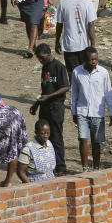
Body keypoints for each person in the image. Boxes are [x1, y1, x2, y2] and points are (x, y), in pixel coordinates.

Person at [69, 47, 112, 171]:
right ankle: (85, 167)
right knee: (83, 139)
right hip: (82, 111)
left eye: (96, 59)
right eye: (91, 60)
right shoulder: (77, 72)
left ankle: (96, 166)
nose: (94, 62)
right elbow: (74, 93)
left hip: (97, 113)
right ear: (85, 59)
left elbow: (108, 93)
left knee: (96, 142)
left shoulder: (103, 73)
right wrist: (73, 111)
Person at [30, 44, 70, 175]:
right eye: (39, 59)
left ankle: (61, 168)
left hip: (56, 108)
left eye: (42, 58)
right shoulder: (45, 67)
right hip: (45, 107)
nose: (41, 61)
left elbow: (65, 87)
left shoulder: (59, 67)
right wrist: (36, 104)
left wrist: (50, 96)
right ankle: (46, 164)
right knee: (42, 136)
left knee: (56, 138)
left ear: (49, 53)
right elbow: (45, 89)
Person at [54, 0, 97, 76]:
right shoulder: (88, 2)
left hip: (70, 45)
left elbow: (59, 24)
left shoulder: (63, 3)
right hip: (84, 45)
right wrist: (93, 44)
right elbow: (91, 25)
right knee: (85, 72)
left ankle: (74, 90)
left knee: (72, 73)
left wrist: (57, 41)